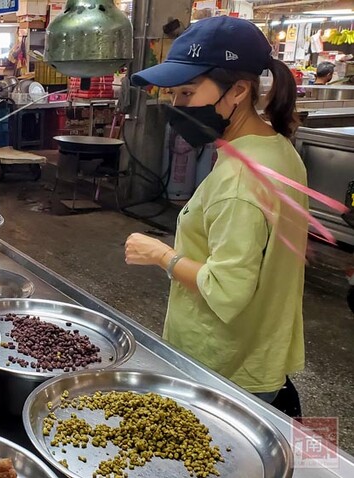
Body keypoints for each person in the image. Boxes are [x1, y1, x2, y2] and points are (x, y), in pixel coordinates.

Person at [124, 16, 305, 414]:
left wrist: (161, 255)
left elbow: (227, 289)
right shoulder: (276, 149)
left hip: (225, 367)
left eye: (187, 92)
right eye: (174, 94)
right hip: (259, 351)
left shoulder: (240, 180)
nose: (177, 107)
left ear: (238, 90)